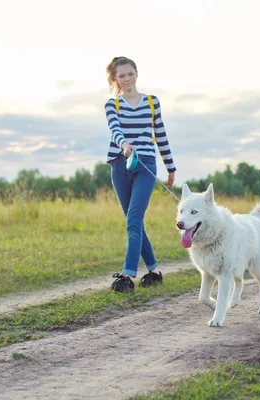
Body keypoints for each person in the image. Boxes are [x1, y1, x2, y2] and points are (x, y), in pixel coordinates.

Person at [104, 56, 177, 293]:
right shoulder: (112, 105)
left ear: (137, 74)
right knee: (133, 221)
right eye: (121, 76)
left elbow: (161, 135)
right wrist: (124, 145)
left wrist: (170, 166)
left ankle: (127, 275)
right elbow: (114, 129)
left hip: (145, 165)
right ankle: (154, 271)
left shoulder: (152, 102)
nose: (126, 79)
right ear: (115, 79)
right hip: (119, 164)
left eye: (130, 74)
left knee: (134, 219)